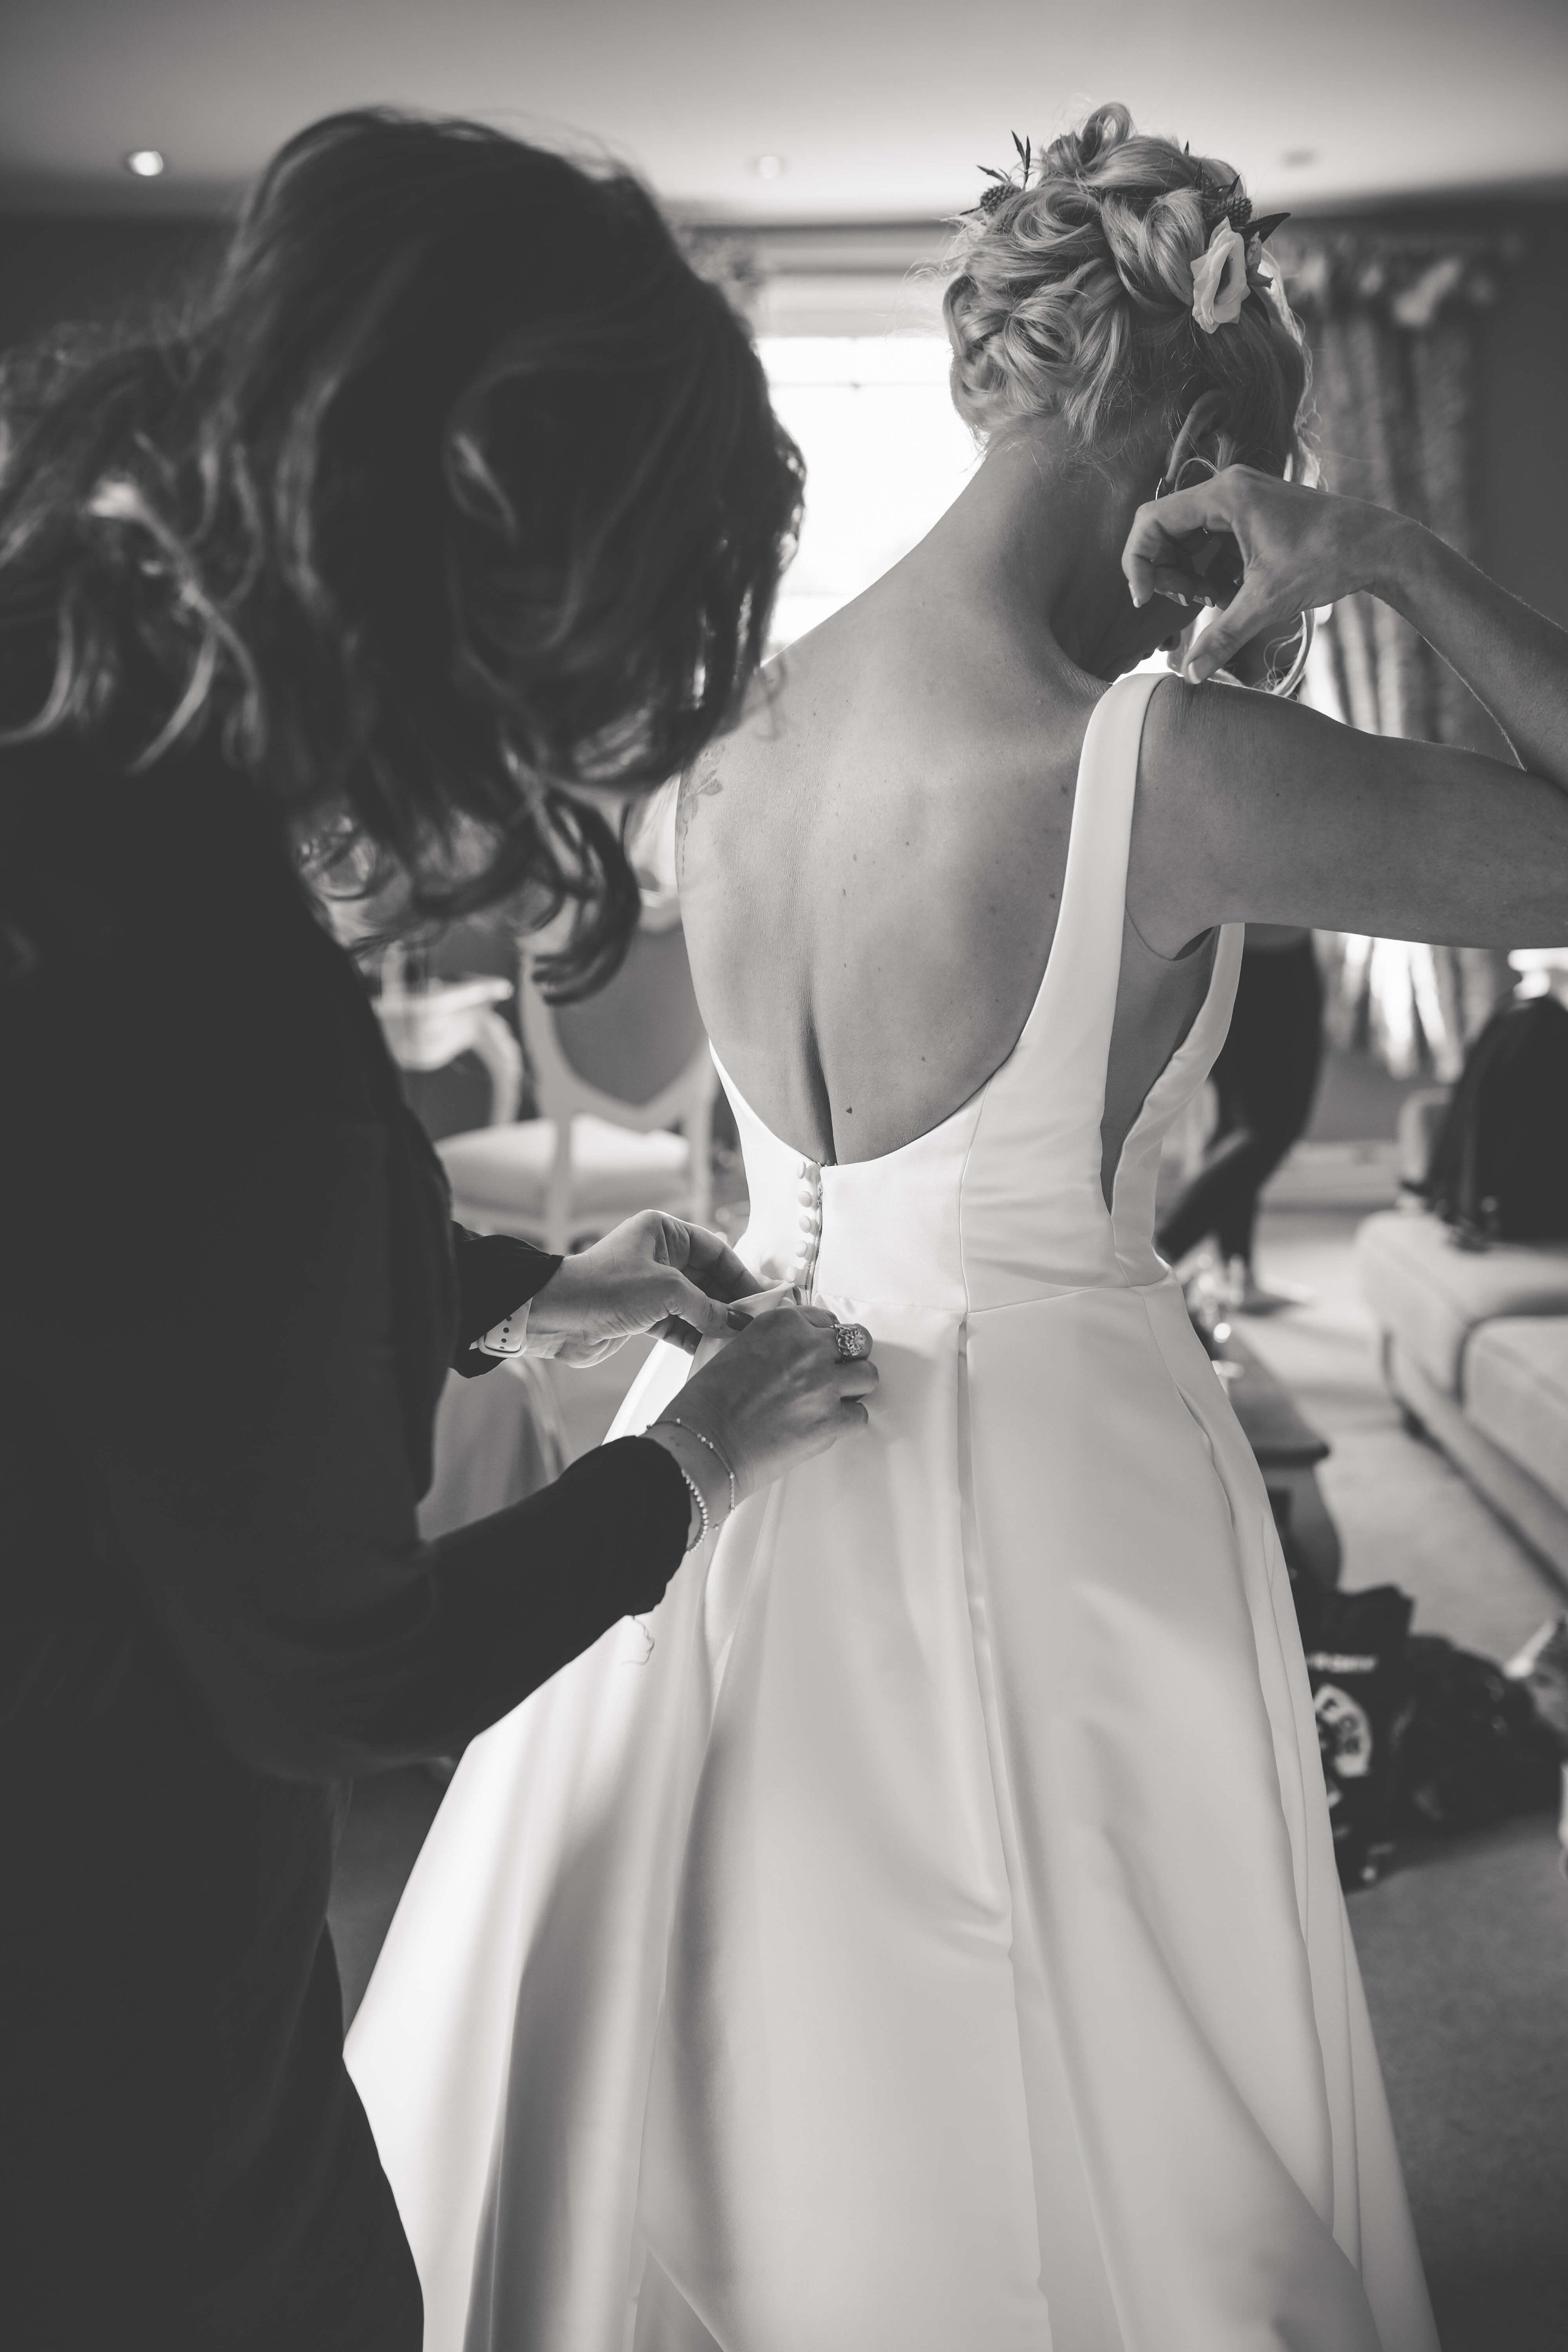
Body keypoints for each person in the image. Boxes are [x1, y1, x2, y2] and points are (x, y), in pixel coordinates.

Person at [347, 105, 1568, 2349]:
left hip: (724, 1438)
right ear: (1191, 457)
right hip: (1061, 1494)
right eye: (1260, 478)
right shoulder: (1154, 761)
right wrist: (1382, 554)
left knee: (693, 2030)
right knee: (1095, 2091)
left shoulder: (730, 719)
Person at [0, 111, 877, 2352]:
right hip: (94, 1974)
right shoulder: (224, 1000)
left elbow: (132, 1296)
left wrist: (522, 1282)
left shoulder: (61, 707)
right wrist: (681, 1466)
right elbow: (338, 1668)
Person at [1155, 921, 1324, 1308]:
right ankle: (1162, 1250)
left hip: (1230, 952)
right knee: (1271, 1128)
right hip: (1264, 952)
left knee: (1240, 1122)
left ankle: (1237, 1275)